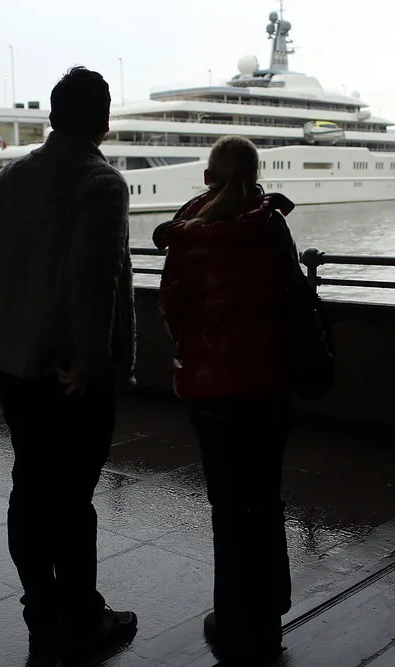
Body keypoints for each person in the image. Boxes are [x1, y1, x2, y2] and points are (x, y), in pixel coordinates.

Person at [0, 66, 137, 667]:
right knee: (73, 499)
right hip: (71, 376)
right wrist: (90, 360)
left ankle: (42, 609)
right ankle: (85, 619)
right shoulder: (101, 182)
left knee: (28, 489)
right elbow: (94, 280)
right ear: (103, 119)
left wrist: (13, 333)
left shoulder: (10, 178)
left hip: (14, 367)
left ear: (50, 116)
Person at [153, 135, 294, 664]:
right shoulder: (271, 225)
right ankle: (269, 611)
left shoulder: (190, 233)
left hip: (213, 390)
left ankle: (234, 618)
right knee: (266, 498)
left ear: (208, 177)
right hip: (269, 385)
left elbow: (172, 307)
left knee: (229, 507)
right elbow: (291, 298)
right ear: (256, 176)